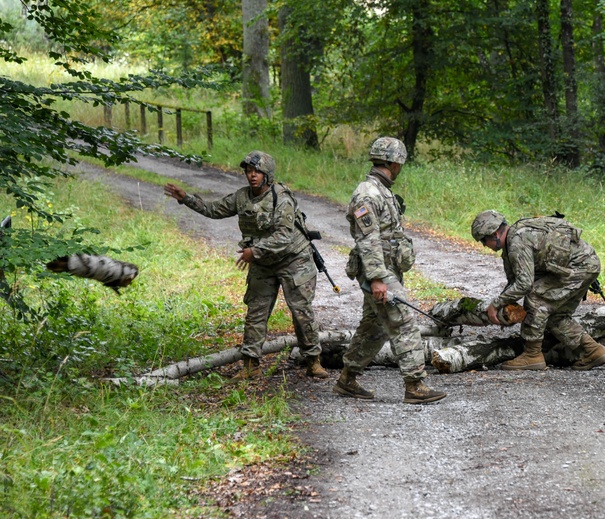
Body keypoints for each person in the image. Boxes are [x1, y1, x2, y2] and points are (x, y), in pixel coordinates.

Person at [163, 151, 327, 380]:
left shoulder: (282, 198)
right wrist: (185, 198)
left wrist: (254, 251)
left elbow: (284, 236)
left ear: (267, 175)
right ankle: (251, 365)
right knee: (256, 311)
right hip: (262, 262)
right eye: (249, 171)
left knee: (301, 312)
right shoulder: (241, 197)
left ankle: (313, 361)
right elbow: (213, 210)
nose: (252, 176)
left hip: (293, 259)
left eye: (257, 172)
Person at [333, 137, 447, 405]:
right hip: (380, 272)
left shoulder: (381, 190)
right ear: (395, 163)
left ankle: (347, 379)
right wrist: (377, 279)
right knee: (404, 321)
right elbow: (368, 240)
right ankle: (415, 384)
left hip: (385, 269)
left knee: (374, 326)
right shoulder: (368, 194)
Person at [471, 210, 605, 371]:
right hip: (584, 266)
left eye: (483, 240)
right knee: (555, 315)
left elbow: (524, 284)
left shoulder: (517, 242)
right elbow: (514, 281)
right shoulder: (512, 243)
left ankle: (532, 355)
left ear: (494, 233)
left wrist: (496, 304)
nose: (483, 245)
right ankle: (593, 350)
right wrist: (505, 306)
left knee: (536, 297)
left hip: (578, 268)